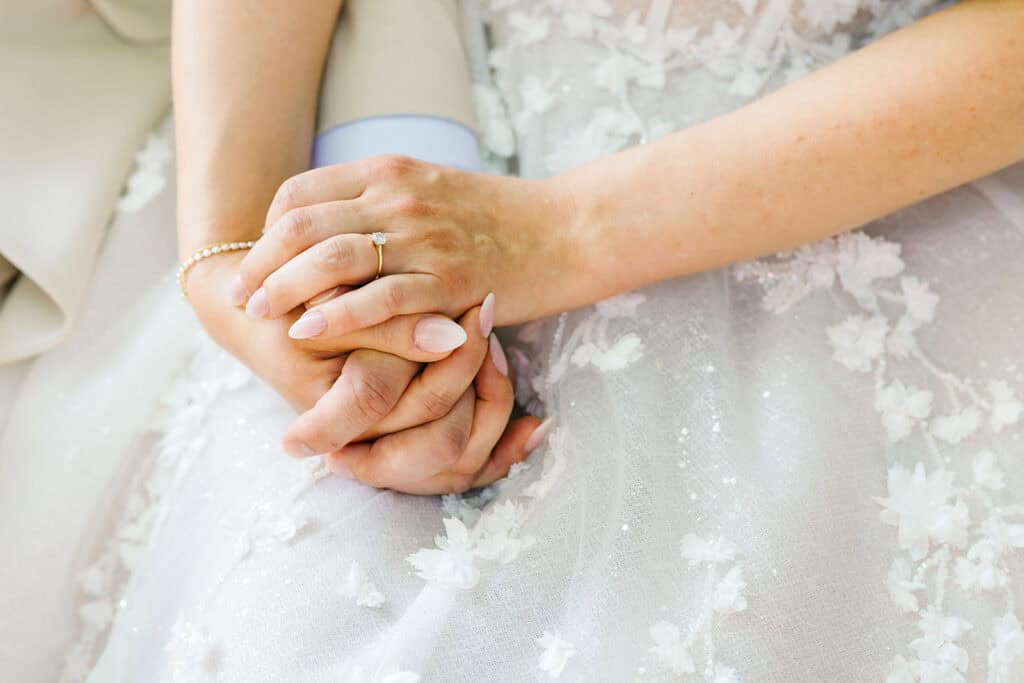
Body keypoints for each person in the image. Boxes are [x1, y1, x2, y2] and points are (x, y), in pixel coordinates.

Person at [36, 0, 1024, 680]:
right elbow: (242, 250)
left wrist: (555, 234)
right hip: (409, 122)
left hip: (878, 174)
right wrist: (240, 265)